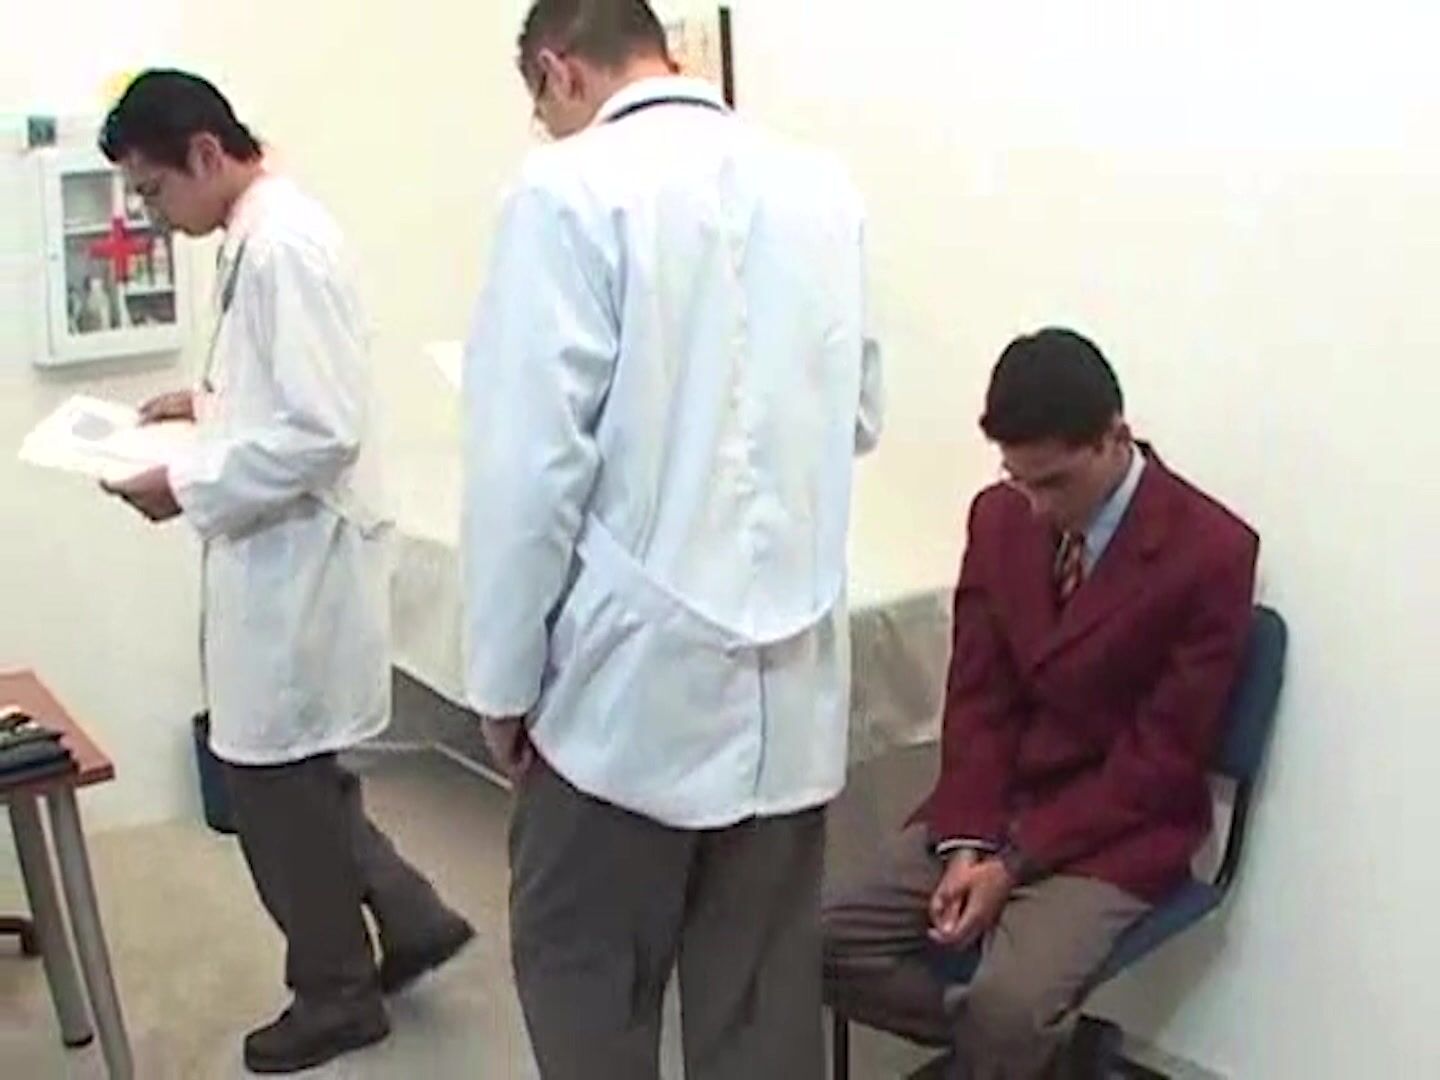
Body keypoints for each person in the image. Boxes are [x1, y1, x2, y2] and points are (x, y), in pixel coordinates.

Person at [461, 2, 884, 1077]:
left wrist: (502, 687)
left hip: (622, 700)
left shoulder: (563, 190)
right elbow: (858, 415)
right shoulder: (821, 187)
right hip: (790, 694)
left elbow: (528, 476)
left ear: (557, 71)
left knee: (587, 983)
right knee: (759, 1012)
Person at [97, 70, 473, 1075]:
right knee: (299, 779)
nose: (150, 213)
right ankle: (413, 916)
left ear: (205, 154)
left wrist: (184, 481)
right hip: (283, 563)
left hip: (300, 569)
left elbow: (320, 430)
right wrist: (205, 404)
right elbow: (285, 392)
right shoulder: (258, 236)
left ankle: (336, 995)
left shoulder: (283, 249)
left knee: (271, 789)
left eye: (153, 189)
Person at [822, 329, 1259, 1079]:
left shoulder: (1211, 551)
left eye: (1052, 483)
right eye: (1017, 479)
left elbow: (1160, 762)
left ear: (1114, 438)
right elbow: (978, 696)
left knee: (1008, 1006)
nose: (1034, 505)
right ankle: (1054, 1051)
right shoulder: (1000, 516)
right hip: (995, 805)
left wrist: (1013, 864)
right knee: (821, 942)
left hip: (1117, 832)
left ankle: (1020, 1042)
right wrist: (968, 844)